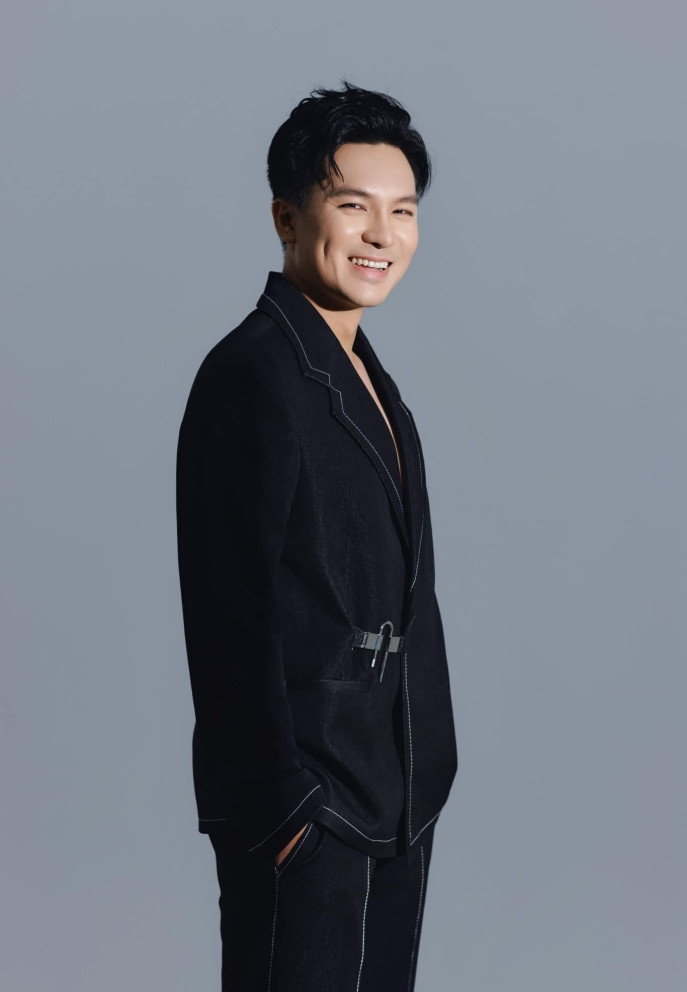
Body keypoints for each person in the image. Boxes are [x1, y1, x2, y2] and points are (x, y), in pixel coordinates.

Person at [175, 80, 459, 991]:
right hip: (307, 808)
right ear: (286, 218)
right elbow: (227, 612)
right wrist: (282, 811)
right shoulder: (251, 373)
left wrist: (430, 764)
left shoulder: (374, 381)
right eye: (353, 207)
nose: (382, 234)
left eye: (402, 211)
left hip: (397, 794)